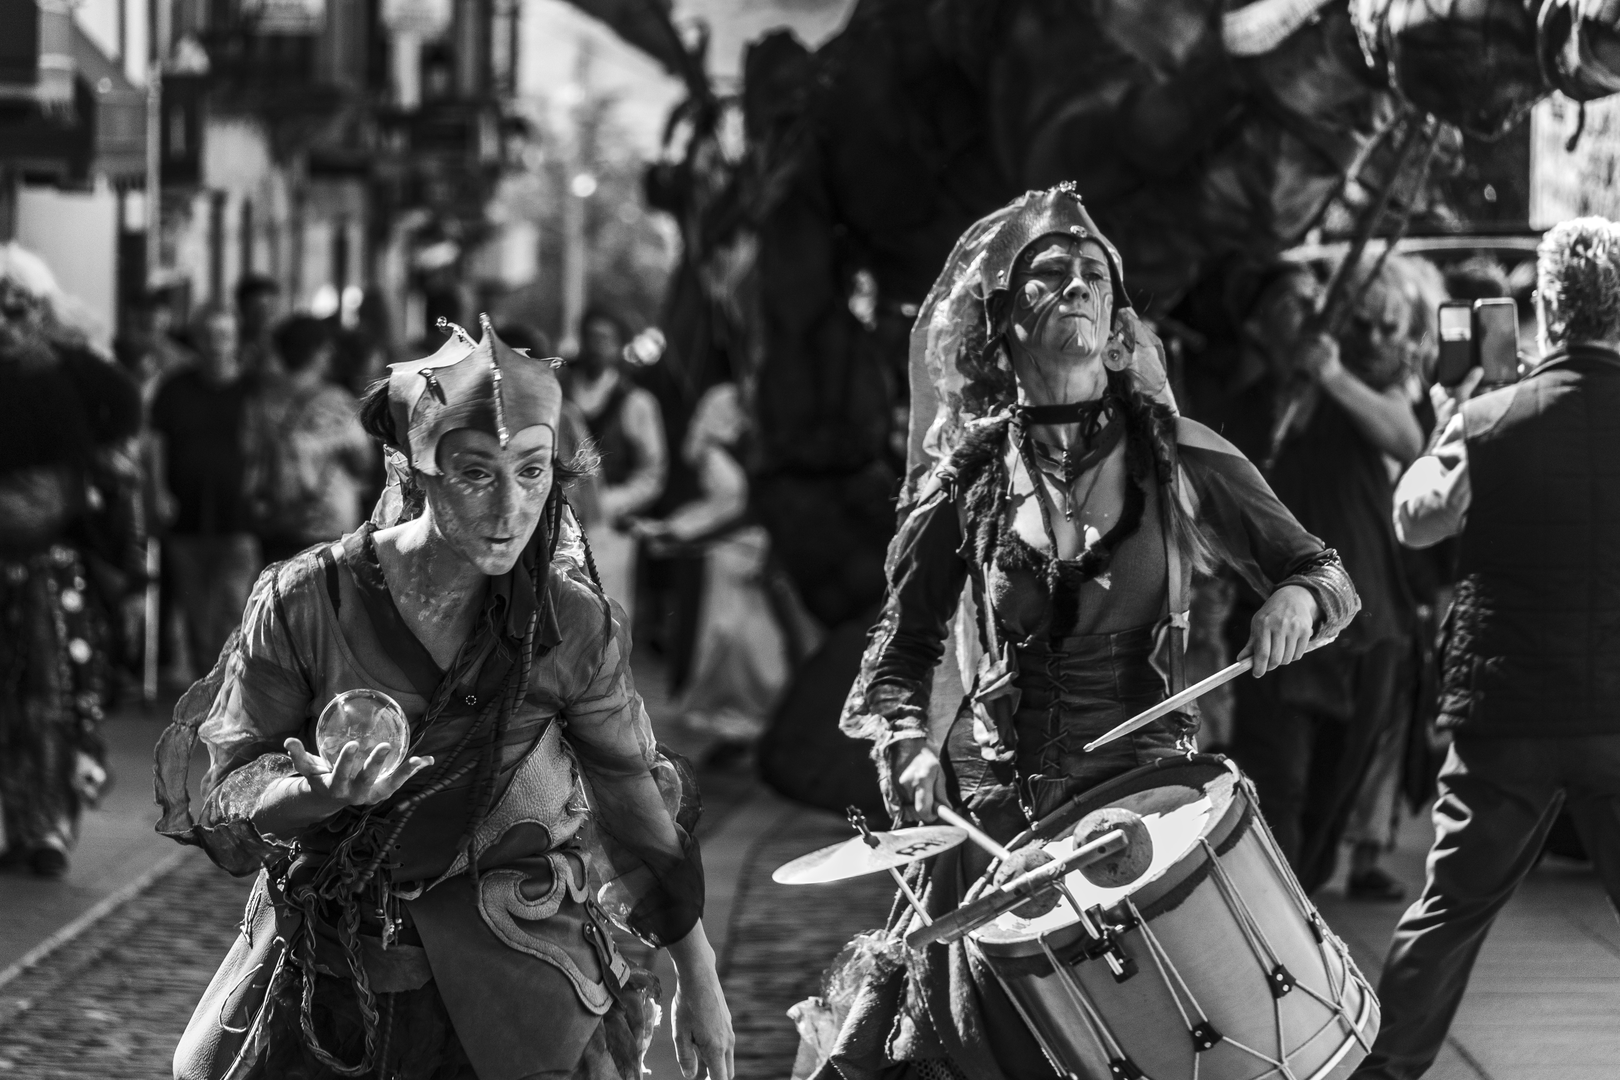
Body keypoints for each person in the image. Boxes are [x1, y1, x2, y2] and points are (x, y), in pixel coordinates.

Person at [801, 186, 1360, 1080]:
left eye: (1095, 276)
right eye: (1050, 274)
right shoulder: (967, 483)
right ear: (1003, 325)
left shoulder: (1181, 453)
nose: (1077, 286)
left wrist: (1296, 600)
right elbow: (901, 655)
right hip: (997, 823)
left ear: (1118, 319)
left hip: (1147, 809)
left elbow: (1325, 572)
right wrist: (907, 743)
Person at [154, 319, 734, 1080]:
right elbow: (228, 785)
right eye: (475, 473)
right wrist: (310, 791)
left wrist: (701, 976)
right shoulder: (307, 601)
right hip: (331, 975)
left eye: (531, 472)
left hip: (516, 980)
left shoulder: (569, 625)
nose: (508, 510)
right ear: (416, 469)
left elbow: (636, 807)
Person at [1352, 217, 1620, 1079]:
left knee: (1450, 911)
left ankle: (1388, 1068)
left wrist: (1446, 433)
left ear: (1544, 308)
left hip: (1508, 716)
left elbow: (1415, 520)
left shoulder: (1490, 419)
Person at [1228, 253, 1440, 898]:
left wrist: (1333, 376)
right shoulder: (1241, 409)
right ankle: (1279, 926)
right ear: (1262, 329)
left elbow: (1410, 442)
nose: (1310, 310)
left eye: (1314, 299)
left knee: (1333, 797)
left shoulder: (1354, 386)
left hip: (1371, 630)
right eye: (1290, 303)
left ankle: (1305, 909)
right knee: (1278, 792)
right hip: (1278, 634)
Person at [0, 242, 143, 877]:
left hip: (50, 565)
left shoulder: (69, 373)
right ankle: (17, 825)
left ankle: (48, 825)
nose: (8, 321)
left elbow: (122, 405)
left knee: (52, 696)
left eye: (21, 307)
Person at [632, 383, 811, 762]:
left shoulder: (766, 445)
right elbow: (722, 506)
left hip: (756, 555)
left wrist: (680, 534)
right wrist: (677, 531)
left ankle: (774, 728)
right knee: (729, 648)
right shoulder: (716, 449)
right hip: (724, 560)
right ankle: (743, 731)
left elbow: (747, 509)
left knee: (762, 650)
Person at [149, 304, 263, 679]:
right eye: (210, 337)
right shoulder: (174, 388)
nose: (217, 345)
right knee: (195, 611)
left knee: (233, 605)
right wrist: (159, 491)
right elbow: (156, 445)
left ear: (236, 341)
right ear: (196, 341)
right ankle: (207, 681)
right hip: (186, 516)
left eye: (225, 336)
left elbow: (267, 446)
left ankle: (230, 682)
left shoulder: (253, 390)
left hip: (238, 517)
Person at [567, 306, 667, 624]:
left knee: (604, 622)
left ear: (619, 345)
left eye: (605, 339)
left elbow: (652, 474)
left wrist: (609, 504)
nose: (596, 346)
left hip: (609, 532)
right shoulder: (558, 389)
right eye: (590, 337)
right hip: (556, 523)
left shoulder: (636, 402)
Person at [250, 314, 375, 564]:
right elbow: (363, 462)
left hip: (275, 521)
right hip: (327, 522)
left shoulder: (261, 400)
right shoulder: (336, 401)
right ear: (319, 352)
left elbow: (250, 456)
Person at [235, 274, 282, 378]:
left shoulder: (284, 344)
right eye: (258, 309)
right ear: (242, 308)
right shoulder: (230, 346)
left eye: (271, 308)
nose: (264, 316)